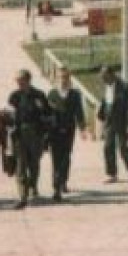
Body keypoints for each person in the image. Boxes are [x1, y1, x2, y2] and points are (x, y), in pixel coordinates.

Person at [5, 69, 53, 210]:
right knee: (20, 164)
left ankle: (33, 186)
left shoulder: (39, 95)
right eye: (17, 81)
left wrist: (45, 132)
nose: (18, 83)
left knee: (34, 163)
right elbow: (9, 114)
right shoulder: (14, 96)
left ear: (28, 80)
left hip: (36, 133)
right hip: (19, 134)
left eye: (21, 80)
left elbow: (47, 113)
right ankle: (22, 195)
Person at [48, 65, 86, 200]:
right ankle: (56, 187)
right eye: (60, 77)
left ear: (69, 79)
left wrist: (82, 128)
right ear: (56, 79)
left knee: (65, 157)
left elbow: (79, 112)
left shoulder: (75, 94)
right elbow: (48, 113)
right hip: (55, 131)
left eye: (65, 77)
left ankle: (63, 181)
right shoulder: (52, 94)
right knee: (55, 159)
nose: (63, 80)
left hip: (69, 130)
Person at [96, 65, 128, 183]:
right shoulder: (106, 87)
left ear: (111, 74)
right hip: (109, 121)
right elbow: (105, 102)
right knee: (108, 147)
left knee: (123, 147)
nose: (102, 79)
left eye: (104, 76)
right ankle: (111, 173)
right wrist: (101, 116)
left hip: (122, 121)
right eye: (101, 77)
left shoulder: (125, 86)